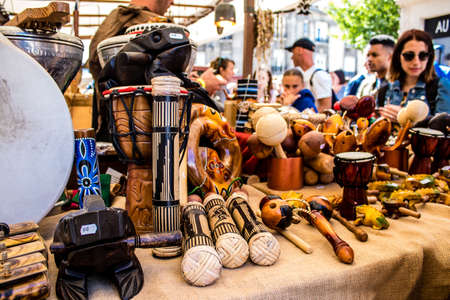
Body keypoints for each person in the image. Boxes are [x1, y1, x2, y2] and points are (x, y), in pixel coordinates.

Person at [88, 0, 173, 140]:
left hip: (155, 124)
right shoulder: (122, 20)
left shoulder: (116, 22)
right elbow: (97, 64)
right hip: (123, 126)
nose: (172, 3)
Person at [377, 29, 450, 121]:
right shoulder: (385, 88)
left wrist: (407, 118)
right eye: (409, 55)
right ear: (398, 56)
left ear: (429, 58)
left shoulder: (442, 86)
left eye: (423, 55)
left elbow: (444, 129)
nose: (416, 62)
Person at [285, 37, 332, 112]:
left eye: (293, 52)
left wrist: (304, 116)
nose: (292, 57)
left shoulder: (319, 75)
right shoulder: (304, 74)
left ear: (299, 50)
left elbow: (326, 107)